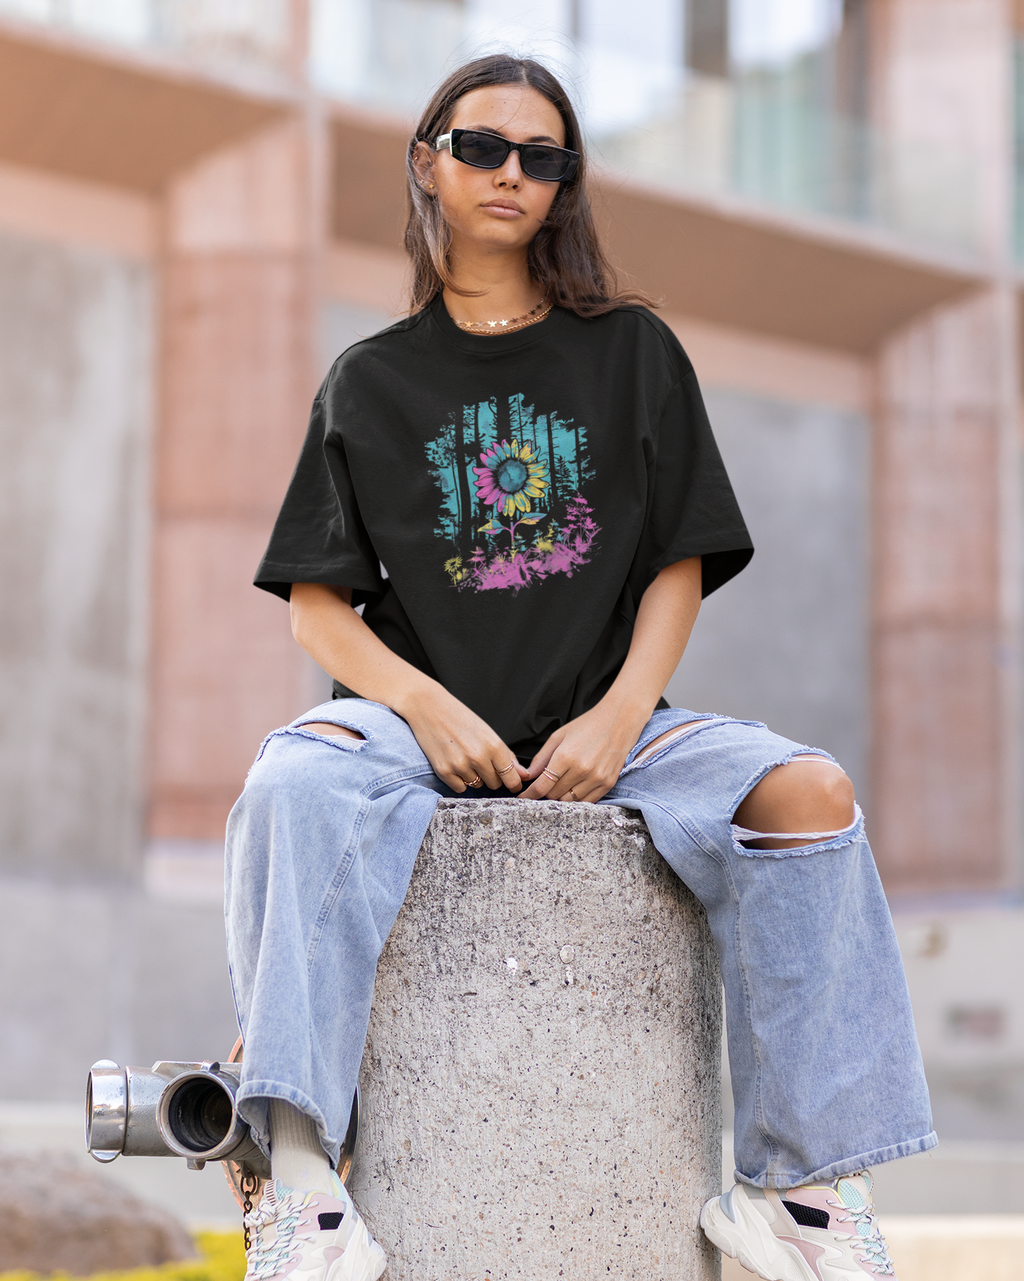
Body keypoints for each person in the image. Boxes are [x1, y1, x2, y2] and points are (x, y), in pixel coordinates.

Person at [226, 53, 934, 1281]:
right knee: (291, 788)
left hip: (617, 724)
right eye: (486, 147)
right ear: (427, 161)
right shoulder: (371, 381)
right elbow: (318, 614)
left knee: (809, 795)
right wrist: (425, 703)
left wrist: (616, 717)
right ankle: (295, 1176)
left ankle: (797, 1190)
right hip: (409, 726)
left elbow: (676, 562)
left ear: (566, 186)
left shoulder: (631, 352)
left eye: (544, 158)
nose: (513, 174)